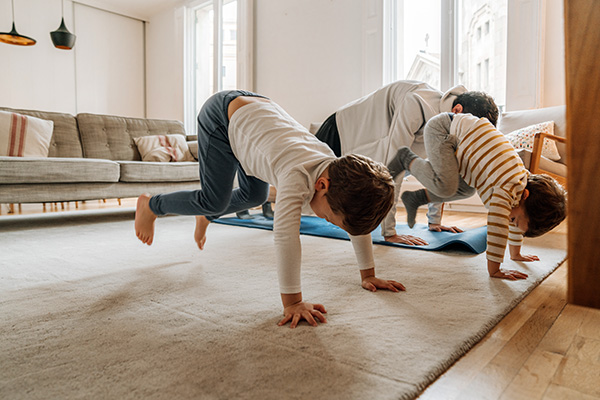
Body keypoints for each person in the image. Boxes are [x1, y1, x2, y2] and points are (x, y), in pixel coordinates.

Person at [135, 90, 405, 329]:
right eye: (327, 217)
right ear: (321, 185)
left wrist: (368, 274)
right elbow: (286, 236)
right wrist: (293, 302)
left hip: (254, 115)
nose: (326, 220)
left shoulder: (336, 172)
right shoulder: (295, 176)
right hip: (222, 117)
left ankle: (207, 213)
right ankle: (151, 205)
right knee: (213, 199)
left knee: (255, 195)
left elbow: (354, 217)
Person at [313, 80, 499, 245]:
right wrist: (390, 233)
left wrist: (434, 222)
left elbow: (444, 171)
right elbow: (393, 165)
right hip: (340, 132)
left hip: (367, 147)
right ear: (457, 110)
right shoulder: (416, 103)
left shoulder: (455, 122)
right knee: (308, 194)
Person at [388, 112, 567, 279]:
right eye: (515, 220)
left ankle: (417, 198)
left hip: (462, 143)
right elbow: (498, 226)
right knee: (445, 187)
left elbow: (512, 222)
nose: (510, 220)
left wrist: (515, 254)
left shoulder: (519, 188)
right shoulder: (508, 187)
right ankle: (406, 158)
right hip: (445, 131)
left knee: (466, 189)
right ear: (525, 196)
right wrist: (495, 269)